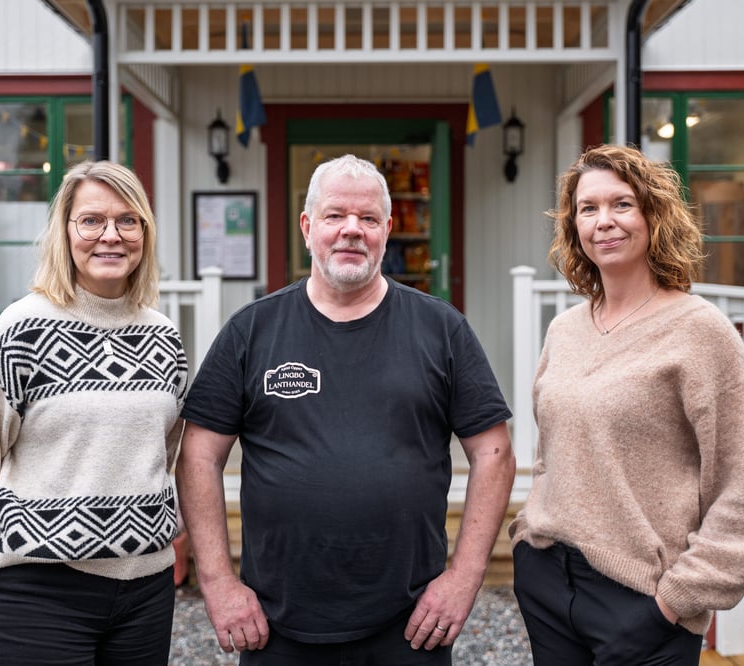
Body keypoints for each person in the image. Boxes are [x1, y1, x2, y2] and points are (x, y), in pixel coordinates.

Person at [178, 153, 515, 664]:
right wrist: (219, 582)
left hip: (411, 624)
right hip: (277, 624)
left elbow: (494, 453)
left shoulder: (441, 329)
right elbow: (198, 456)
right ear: (308, 226)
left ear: (387, 229)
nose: (351, 231)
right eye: (335, 216)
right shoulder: (252, 331)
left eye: (368, 218)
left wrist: (464, 579)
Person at [508, 144, 744, 664]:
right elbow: (552, 455)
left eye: (622, 204)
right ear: (574, 226)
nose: (604, 221)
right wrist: (527, 541)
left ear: (654, 215)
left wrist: (673, 603)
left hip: (643, 602)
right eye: (588, 208)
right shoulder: (564, 330)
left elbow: (741, 491)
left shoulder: (699, 332)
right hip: (547, 586)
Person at [0, 160, 188, 665]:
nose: (110, 235)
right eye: (91, 220)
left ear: (145, 231)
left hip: (146, 591)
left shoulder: (165, 337)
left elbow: (164, 454)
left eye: (127, 220)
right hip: (39, 592)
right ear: (65, 233)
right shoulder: (21, 329)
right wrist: (14, 549)